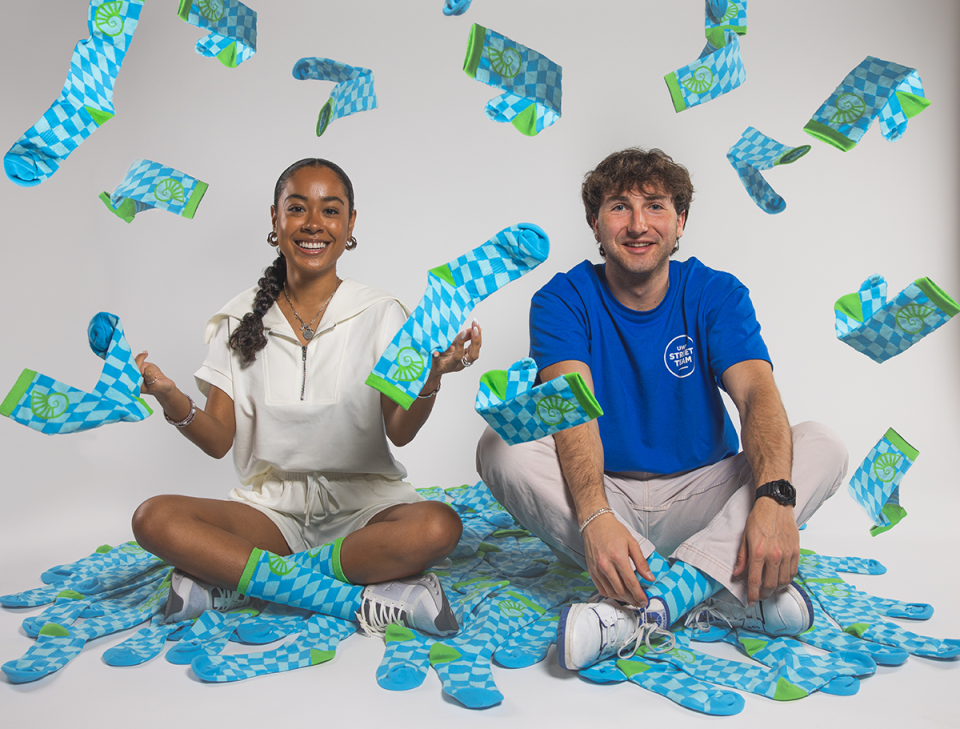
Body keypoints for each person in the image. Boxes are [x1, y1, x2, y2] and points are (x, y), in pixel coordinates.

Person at [476, 148, 848, 669]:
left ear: (680, 222)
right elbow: (571, 413)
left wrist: (774, 498)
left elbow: (757, 396)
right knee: (500, 448)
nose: (637, 224)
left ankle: (651, 603)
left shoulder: (716, 292)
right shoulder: (561, 299)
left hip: (708, 498)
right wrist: (597, 515)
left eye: (654, 206)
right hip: (609, 502)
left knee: (823, 445)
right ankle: (715, 591)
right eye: (619, 207)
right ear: (595, 222)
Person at [132, 158, 480, 637]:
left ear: (350, 223)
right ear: (275, 220)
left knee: (438, 526)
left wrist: (431, 378)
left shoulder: (382, 314)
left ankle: (240, 579)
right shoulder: (237, 320)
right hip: (269, 514)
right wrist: (171, 399)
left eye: (330, 210)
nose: (313, 223)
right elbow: (217, 440)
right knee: (155, 518)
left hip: (365, 513)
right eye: (297, 208)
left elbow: (400, 431)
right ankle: (354, 602)